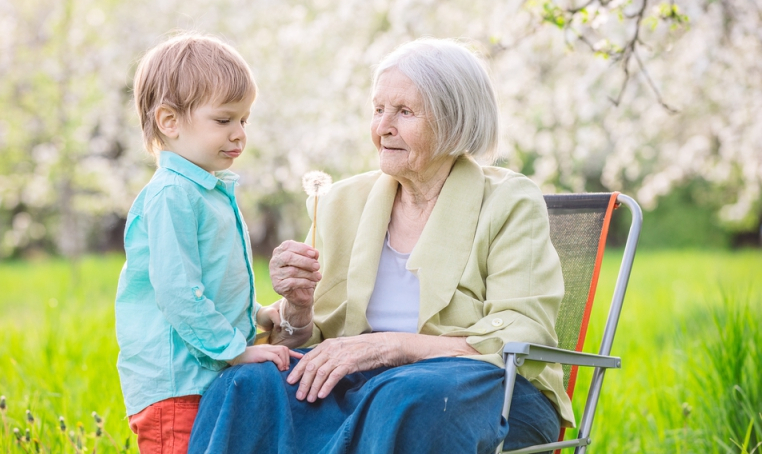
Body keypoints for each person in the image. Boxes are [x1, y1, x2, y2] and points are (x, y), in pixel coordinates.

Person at [188, 38, 575, 454]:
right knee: (249, 383)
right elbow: (306, 337)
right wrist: (298, 307)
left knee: (407, 395)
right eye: (378, 110)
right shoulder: (340, 202)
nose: (382, 127)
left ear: (455, 120)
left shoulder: (509, 201)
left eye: (404, 112)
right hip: (363, 391)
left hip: (484, 395)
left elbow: (522, 335)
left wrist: (392, 348)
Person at [115, 33, 300, 454]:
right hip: (176, 383)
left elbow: (209, 281)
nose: (239, 134)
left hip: (206, 372)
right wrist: (236, 352)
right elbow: (178, 292)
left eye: (244, 120)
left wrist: (259, 314)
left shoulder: (206, 191)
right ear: (169, 121)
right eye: (224, 120)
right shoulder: (172, 195)